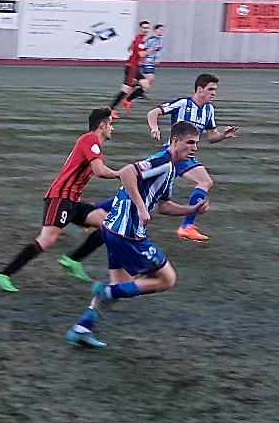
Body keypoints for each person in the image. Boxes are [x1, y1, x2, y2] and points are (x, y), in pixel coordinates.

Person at [64, 121, 210, 349]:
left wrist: (191, 210)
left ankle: (82, 328)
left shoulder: (170, 168)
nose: (194, 148)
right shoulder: (162, 161)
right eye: (190, 142)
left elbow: (163, 206)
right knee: (166, 279)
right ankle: (106, 291)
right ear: (175, 141)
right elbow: (128, 172)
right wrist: (141, 208)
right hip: (127, 233)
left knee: (122, 287)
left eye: (196, 144)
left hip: (111, 230)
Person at [0, 108, 121, 292]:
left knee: (108, 223)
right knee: (47, 239)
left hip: (72, 200)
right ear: (102, 125)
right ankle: (3, 274)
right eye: (111, 124)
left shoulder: (92, 144)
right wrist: (120, 174)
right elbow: (99, 171)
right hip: (60, 197)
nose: (112, 129)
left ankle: (72, 260)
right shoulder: (89, 139)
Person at [143, 73, 237, 242]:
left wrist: (223, 135)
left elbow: (211, 136)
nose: (214, 93)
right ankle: (185, 226)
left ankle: (187, 226)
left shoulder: (209, 110)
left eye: (215, 90)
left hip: (185, 156)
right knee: (146, 190)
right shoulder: (183, 103)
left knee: (203, 182)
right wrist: (154, 128)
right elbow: (153, 113)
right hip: (171, 154)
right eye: (210, 89)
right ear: (200, 89)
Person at [109, 20, 151, 115]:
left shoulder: (138, 39)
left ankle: (127, 100)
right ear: (140, 28)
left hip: (135, 68)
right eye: (144, 28)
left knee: (146, 85)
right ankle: (111, 109)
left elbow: (130, 48)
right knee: (125, 90)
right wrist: (151, 50)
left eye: (147, 28)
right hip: (131, 68)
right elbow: (141, 54)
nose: (146, 30)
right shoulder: (139, 41)